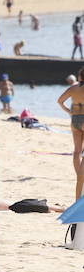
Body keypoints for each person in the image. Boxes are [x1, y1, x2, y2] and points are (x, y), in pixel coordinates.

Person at [55, 70, 84, 200]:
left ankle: (79, 175)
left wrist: (69, 112)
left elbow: (60, 101)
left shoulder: (73, 88)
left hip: (75, 120)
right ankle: (81, 177)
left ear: (80, 76)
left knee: (77, 151)